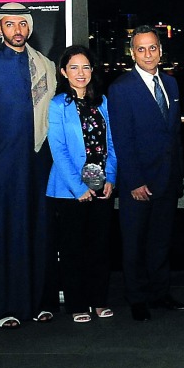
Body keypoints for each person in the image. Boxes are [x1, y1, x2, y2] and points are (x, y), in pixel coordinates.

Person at [0, 2, 60, 328]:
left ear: (29, 27)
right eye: (10, 24)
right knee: (6, 234)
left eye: (22, 24)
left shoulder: (45, 66)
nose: (17, 30)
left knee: (39, 232)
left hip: (40, 166)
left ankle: (40, 302)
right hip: (1, 169)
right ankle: (4, 307)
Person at [108, 26, 184, 321]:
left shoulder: (170, 83)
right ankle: (137, 298)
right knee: (134, 243)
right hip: (138, 181)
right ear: (132, 53)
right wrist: (134, 181)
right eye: (141, 49)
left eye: (152, 48)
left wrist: (177, 175)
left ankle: (159, 293)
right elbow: (122, 138)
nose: (148, 54)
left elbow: (173, 135)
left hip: (167, 178)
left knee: (160, 241)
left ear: (161, 51)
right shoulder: (121, 88)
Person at [46, 45, 117, 323]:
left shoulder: (102, 101)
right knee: (72, 249)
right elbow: (58, 150)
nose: (80, 73)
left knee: (100, 248)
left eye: (85, 67)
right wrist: (78, 188)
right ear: (64, 72)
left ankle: (98, 301)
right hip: (69, 191)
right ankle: (77, 304)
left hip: (101, 186)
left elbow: (111, 143)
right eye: (74, 67)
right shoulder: (57, 105)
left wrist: (111, 177)